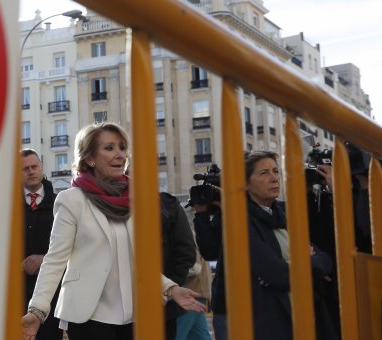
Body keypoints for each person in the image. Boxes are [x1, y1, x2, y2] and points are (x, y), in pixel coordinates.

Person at [22, 122, 205, 340]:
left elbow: (136, 262)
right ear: (89, 158)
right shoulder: (71, 200)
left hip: (134, 314)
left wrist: (171, 288)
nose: (120, 154)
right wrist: (37, 310)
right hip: (88, 316)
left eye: (121, 147)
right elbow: (55, 260)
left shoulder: (137, 198)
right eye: (109, 148)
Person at [194, 151, 336, 340]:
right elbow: (279, 275)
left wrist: (295, 266)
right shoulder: (237, 218)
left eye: (276, 171)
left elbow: (325, 260)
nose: (274, 178)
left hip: (297, 313)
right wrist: (308, 266)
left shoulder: (286, 212)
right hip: (252, 315)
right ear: (245, 184)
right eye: (264, 173)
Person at [20, 148, 63, 340]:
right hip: (17, 294)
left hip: (51, 299)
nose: (31, 171)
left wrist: (45, 259)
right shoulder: (7, 207)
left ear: (41, 167)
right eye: (25, 168)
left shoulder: (60, 205)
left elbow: (72, 247)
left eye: (34, 166)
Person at [159, 192, 198, 339]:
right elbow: (186, 250)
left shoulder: (168, 205)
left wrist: (171, 287)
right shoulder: (169, 205)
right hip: (167, 302)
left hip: (123, 307)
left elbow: (186, 251)